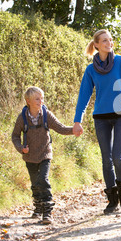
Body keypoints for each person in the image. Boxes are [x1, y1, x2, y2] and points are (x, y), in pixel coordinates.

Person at [73, 29, 121, 214]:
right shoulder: (91, 70)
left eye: (110, 40)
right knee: (106, 159)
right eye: (104, 40)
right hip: (101, 117)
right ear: (96, 44)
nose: (108, 43)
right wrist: (77, 120)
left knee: (117, 156)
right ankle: (112, 200)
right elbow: (84, 96)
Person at [12, 86, 74, 224]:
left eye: (42, 98)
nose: (41, 101)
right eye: (37, 99)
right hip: (29, 156)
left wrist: (74, 130)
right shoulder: (22, 118)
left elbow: (61, 128)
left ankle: (47, 212)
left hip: (45, 153)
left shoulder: (46, 115)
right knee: (35, 183)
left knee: (43, 179)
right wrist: (21, 148)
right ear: (28, 101)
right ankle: (38, 207)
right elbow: (15, 136)